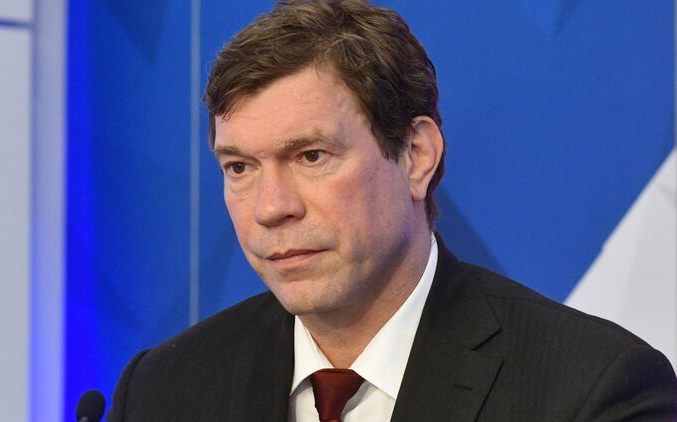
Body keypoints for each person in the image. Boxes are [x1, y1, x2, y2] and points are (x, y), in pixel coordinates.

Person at [107, 1, 677, 420]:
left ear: (416, 156)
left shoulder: (591, 389)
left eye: (311, 156)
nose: (271, 207)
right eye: (239, 167)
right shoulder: (164, 390)